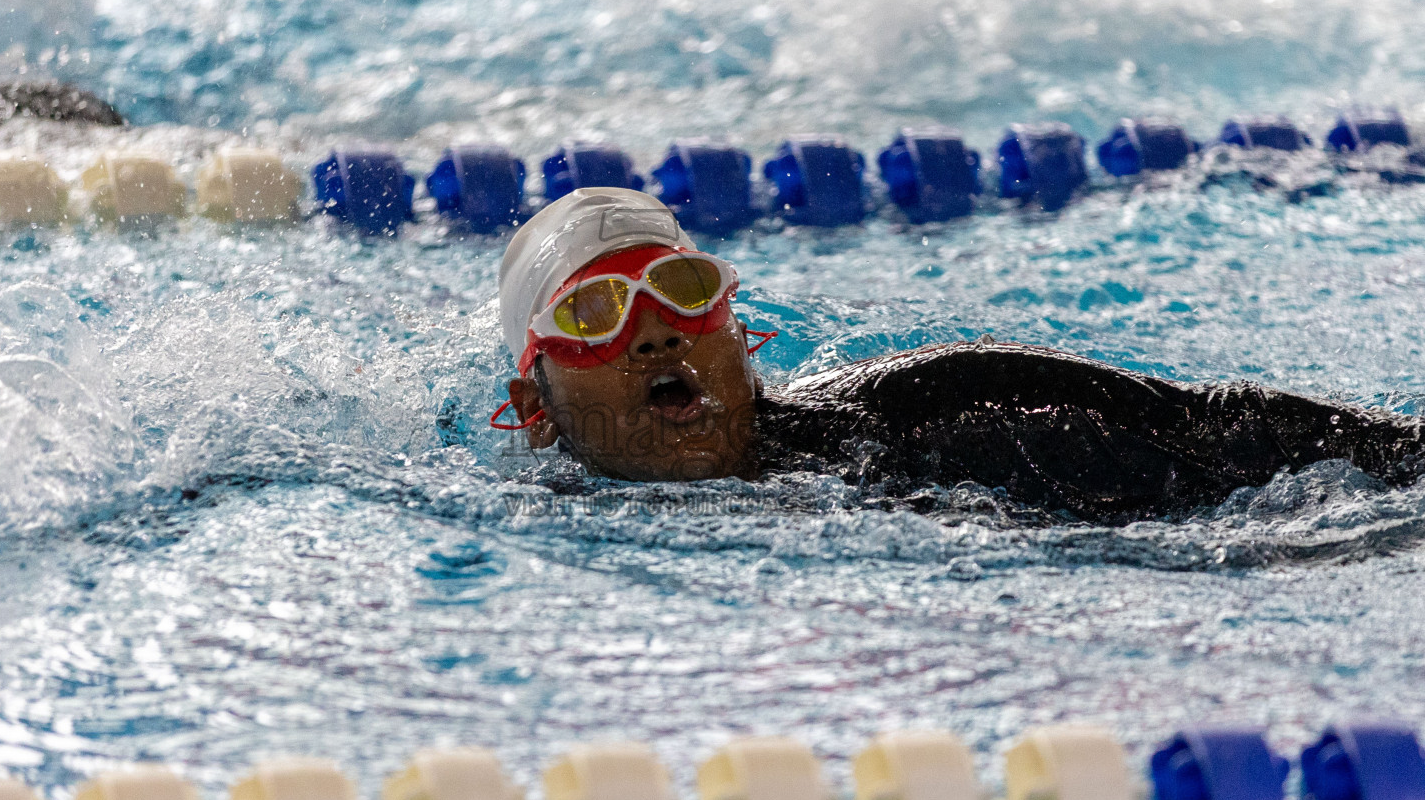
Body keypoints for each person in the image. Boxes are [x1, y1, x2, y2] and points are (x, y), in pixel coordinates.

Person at [495, 187, 1425, 523]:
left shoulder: (946, 412)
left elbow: (1210, 426)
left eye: (685, 292)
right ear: (532, 411)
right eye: (595, 314)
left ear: (744, 340)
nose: (655, 332)